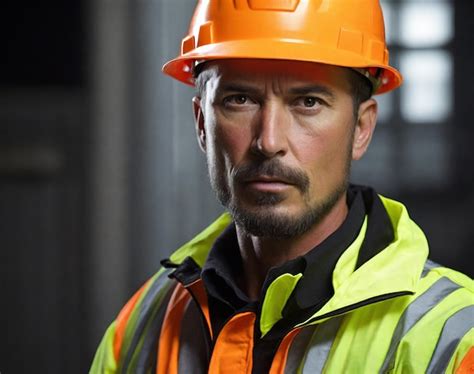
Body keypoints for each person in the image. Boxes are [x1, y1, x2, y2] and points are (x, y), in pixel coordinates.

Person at [90, 1, 473, 373]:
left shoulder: (456, 341)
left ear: (361, 128)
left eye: (308, 102)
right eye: (239, 99)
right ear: (202, 123)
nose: (268, 140)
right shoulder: (145, 322)